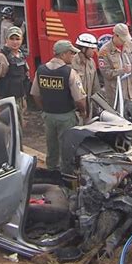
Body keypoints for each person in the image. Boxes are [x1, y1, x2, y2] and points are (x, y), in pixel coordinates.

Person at [30, 40, 86, 172]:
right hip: (66, 116)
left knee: (51, 145)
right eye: (71, 53)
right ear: (64, 54)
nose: (73, 56)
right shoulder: (69, 73)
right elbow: (79, 99)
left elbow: (35, 94)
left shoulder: (41, 70)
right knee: (67, 147)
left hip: (48, 116)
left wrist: (44, 109)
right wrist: (83, 111)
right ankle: (66, 174)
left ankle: (50, 171)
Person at [0, 26, 29, 119]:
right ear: (6, 40)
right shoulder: (0, 57)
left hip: (18, 101)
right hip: (5, 103)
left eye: (17, 39)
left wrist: (24, 99)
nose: (15, 42)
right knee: (7, 132)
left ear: (22, 40)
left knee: (18, 130)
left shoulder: (21, 55)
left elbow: (23, 79)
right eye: (12, 39)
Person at [98, 23, 132, 107]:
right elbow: (106, 73)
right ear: (116, 36)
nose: (124, 41)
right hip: (116, 93)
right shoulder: (104, 52)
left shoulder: (129, 45)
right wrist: (123, 70)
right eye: (122, 39)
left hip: (131, 91)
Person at [72, 33, 101, 121]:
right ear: (83, 49)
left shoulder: (91, 62)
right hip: (75, 111)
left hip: (88, 110)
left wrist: (97, 108)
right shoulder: (72, 63)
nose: (94, 51)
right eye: (92, 48)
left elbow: (95, 88)